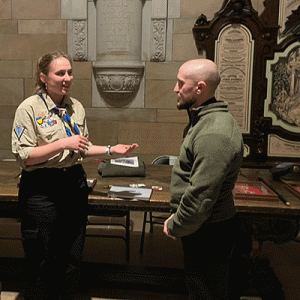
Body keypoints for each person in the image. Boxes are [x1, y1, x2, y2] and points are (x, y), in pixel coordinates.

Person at [11, 51, 138, 300]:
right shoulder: (29, 108)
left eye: (70, 72)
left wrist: (112, 150)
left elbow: (81, 147)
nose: (67, 78)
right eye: (60, 73)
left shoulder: (74, 107)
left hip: (73, 184)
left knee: (72, 254)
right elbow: (25, 157)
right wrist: (62, 144)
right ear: (44, 77)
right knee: (42, 256)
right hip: (41, 188)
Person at [163, 59, 244, 300]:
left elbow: (201, 195)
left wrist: (177, 224)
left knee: (205, 291)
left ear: (200, 88)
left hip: (209, 229)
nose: (176, 89)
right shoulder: (204, 120)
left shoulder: (214, 132)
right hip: (203, 226)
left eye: (180, 83)